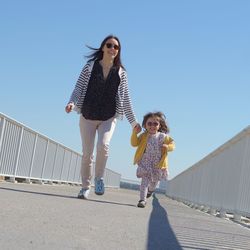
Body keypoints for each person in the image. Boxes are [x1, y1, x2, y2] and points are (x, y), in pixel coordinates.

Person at [65, 35, 141, 199]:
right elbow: (78, 88)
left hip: (108, 116)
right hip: (88, 115)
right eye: (109, 45)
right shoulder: (90, 66)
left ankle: (99, 178)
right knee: (87, 154)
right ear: (103, 48)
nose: (113, 49)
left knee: (103, 145)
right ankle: (85, 187)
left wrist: (133, 122)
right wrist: (72, 103)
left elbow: (126, 99)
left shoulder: (121, 73)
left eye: (116, 47)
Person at [131, 111, 175, 208]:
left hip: (158, 164)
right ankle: (142, 200)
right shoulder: (143, 136)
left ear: (159, 125)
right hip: (145, 162)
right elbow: (134, 143)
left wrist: (167, 146)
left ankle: (150, 191)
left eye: (155, 124)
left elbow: (173, 145)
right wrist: (134, 133)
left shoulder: (163, 137)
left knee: (154, 182)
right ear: (145, 125)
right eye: (149, 123)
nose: (152, 126)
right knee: (144, 181)